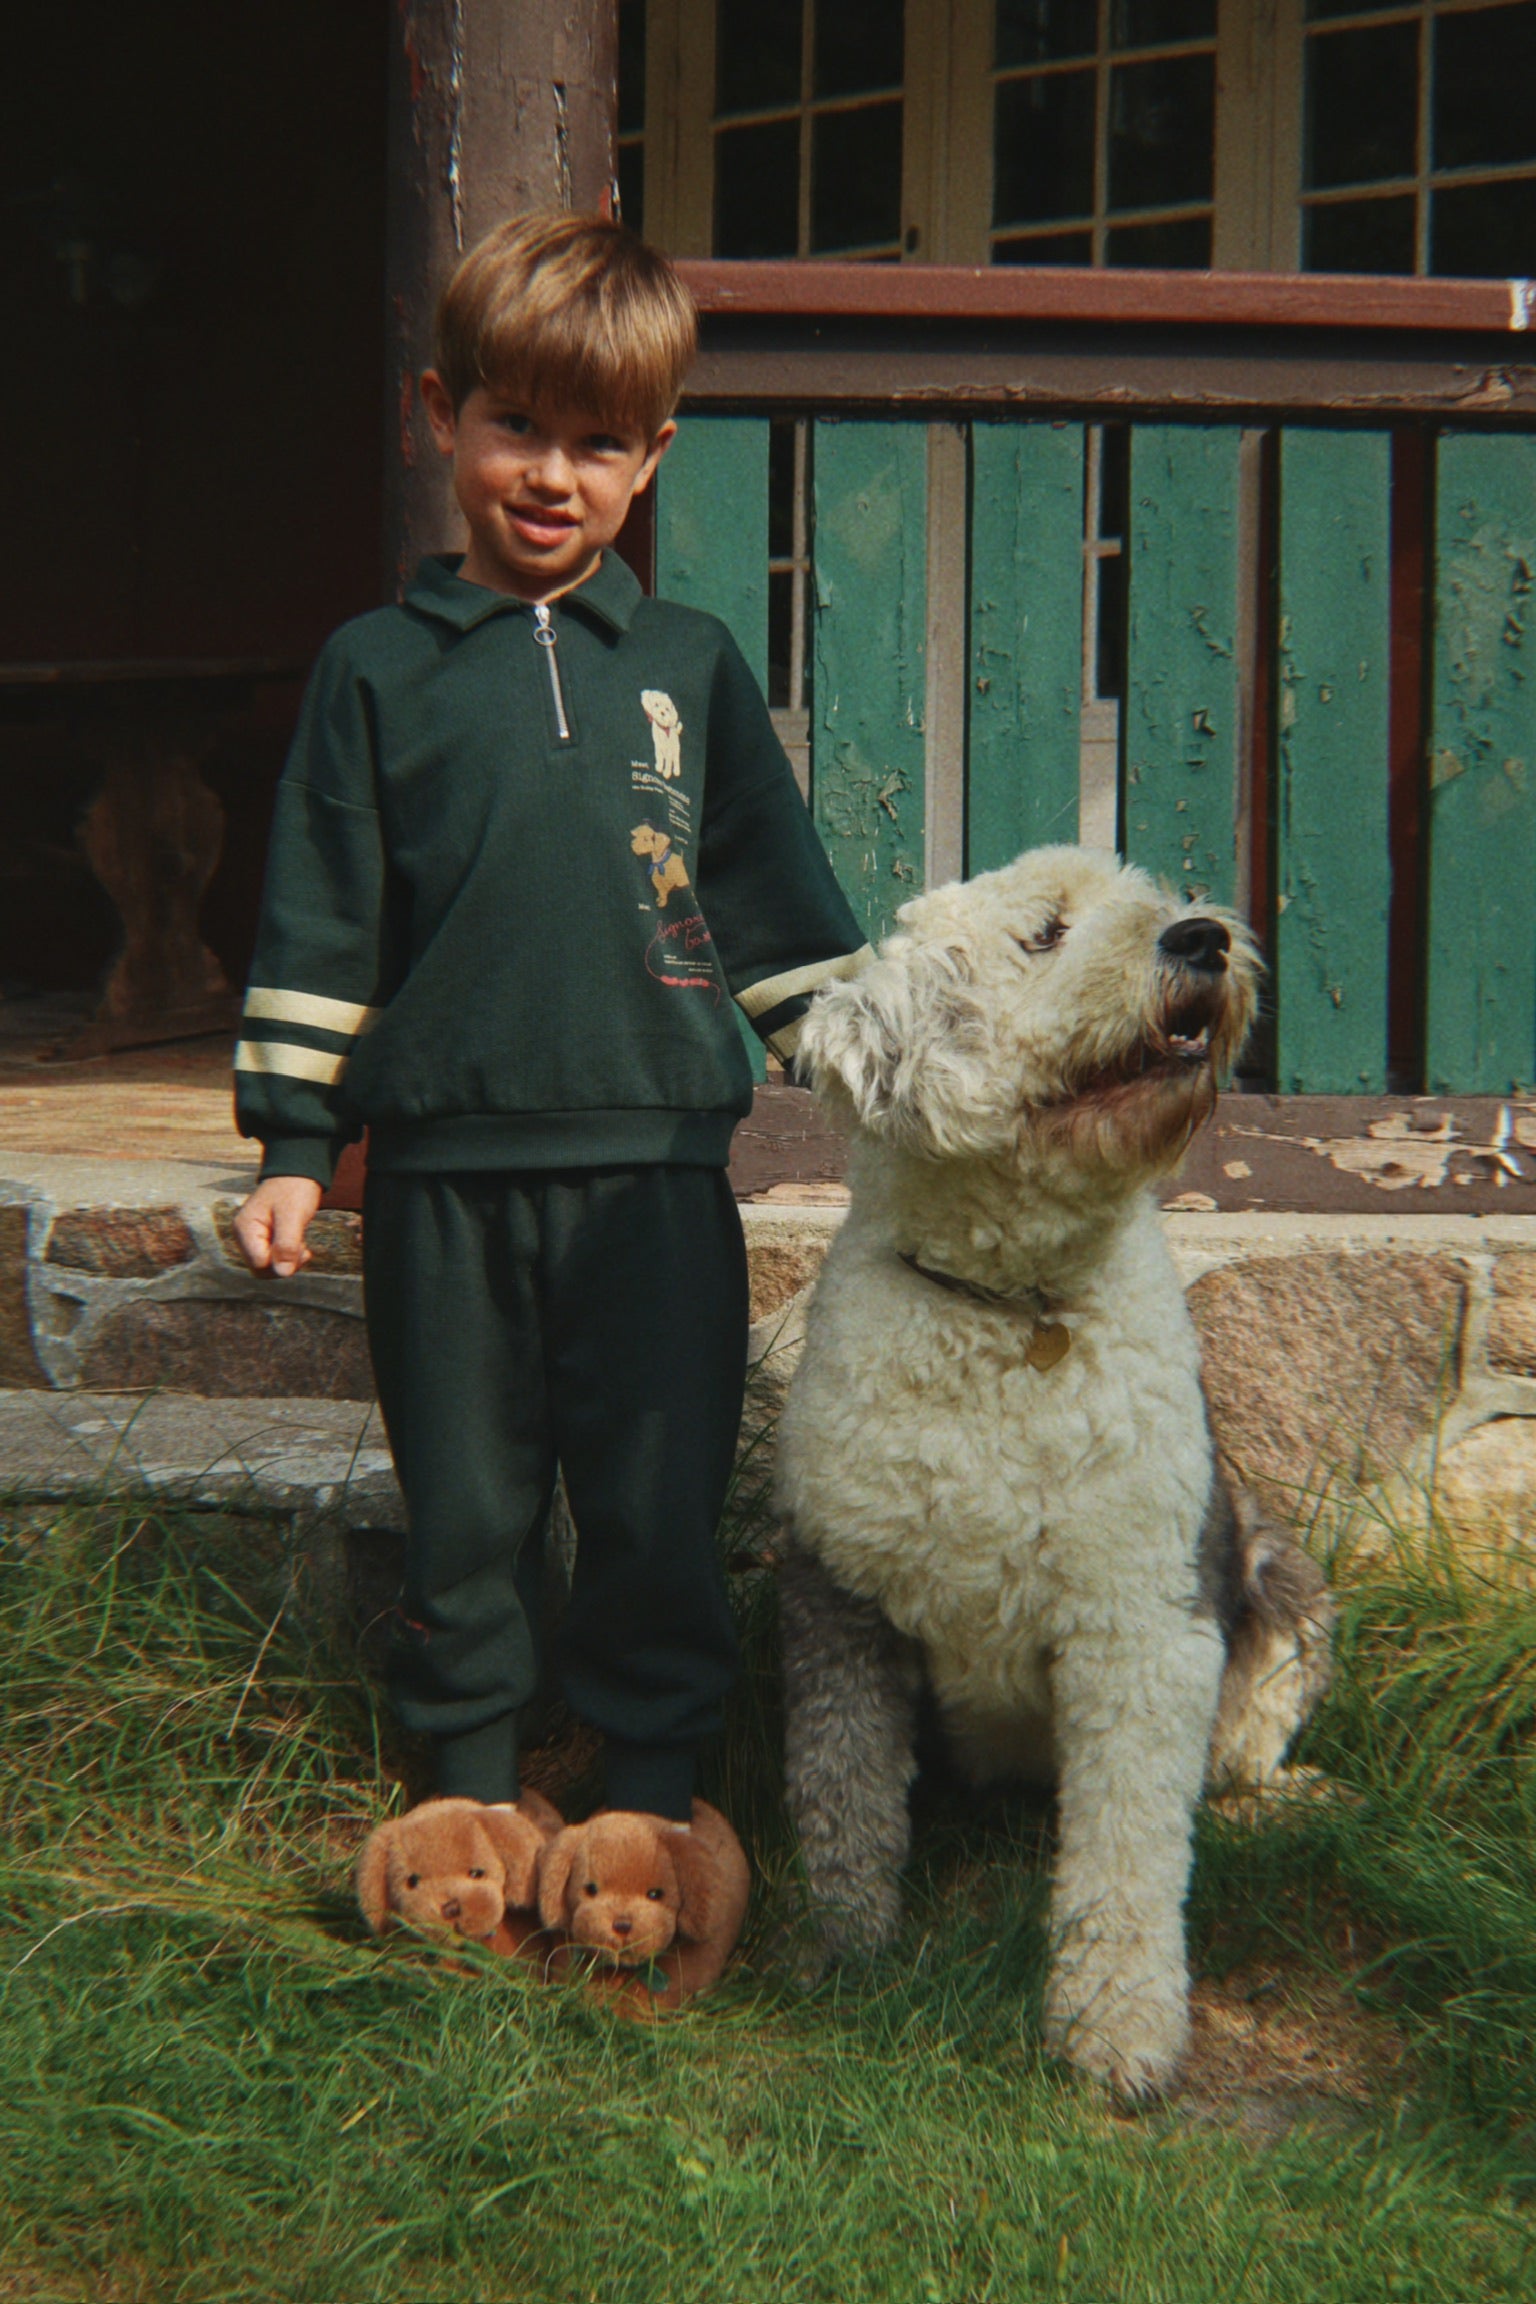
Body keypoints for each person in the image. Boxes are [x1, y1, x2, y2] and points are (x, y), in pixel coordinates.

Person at [231, 212, 868, 1826]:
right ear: (437, 413)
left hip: (657, 1171)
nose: (549, 474)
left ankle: (651, 1801)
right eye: (516, 423)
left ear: (651, 458)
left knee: (656, 1499)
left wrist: (872, 1078)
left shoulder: (689, 663)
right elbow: (321, 907)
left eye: (597, 443)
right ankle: (467, 1793)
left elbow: (772, 895)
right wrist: (297, 1144)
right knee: (469, 1507)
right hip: (442, 1178)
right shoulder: (373, 671)